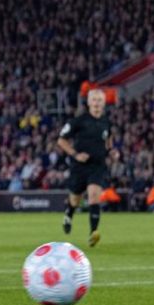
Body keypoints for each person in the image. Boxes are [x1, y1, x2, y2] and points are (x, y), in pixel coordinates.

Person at [57, 88, 115, 247]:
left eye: (99, 100)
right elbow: (61, 140)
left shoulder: (106, 122)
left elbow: (108, 140)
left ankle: (93, 233)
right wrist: (75, 155)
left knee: (94, 196)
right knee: (75, 199)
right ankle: (68, 214)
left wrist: (111, 151)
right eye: (94, 100)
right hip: (79, 166)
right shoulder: (79, 120)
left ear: (104, 103)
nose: (96, 103)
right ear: (89, 102)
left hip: (98, 165)